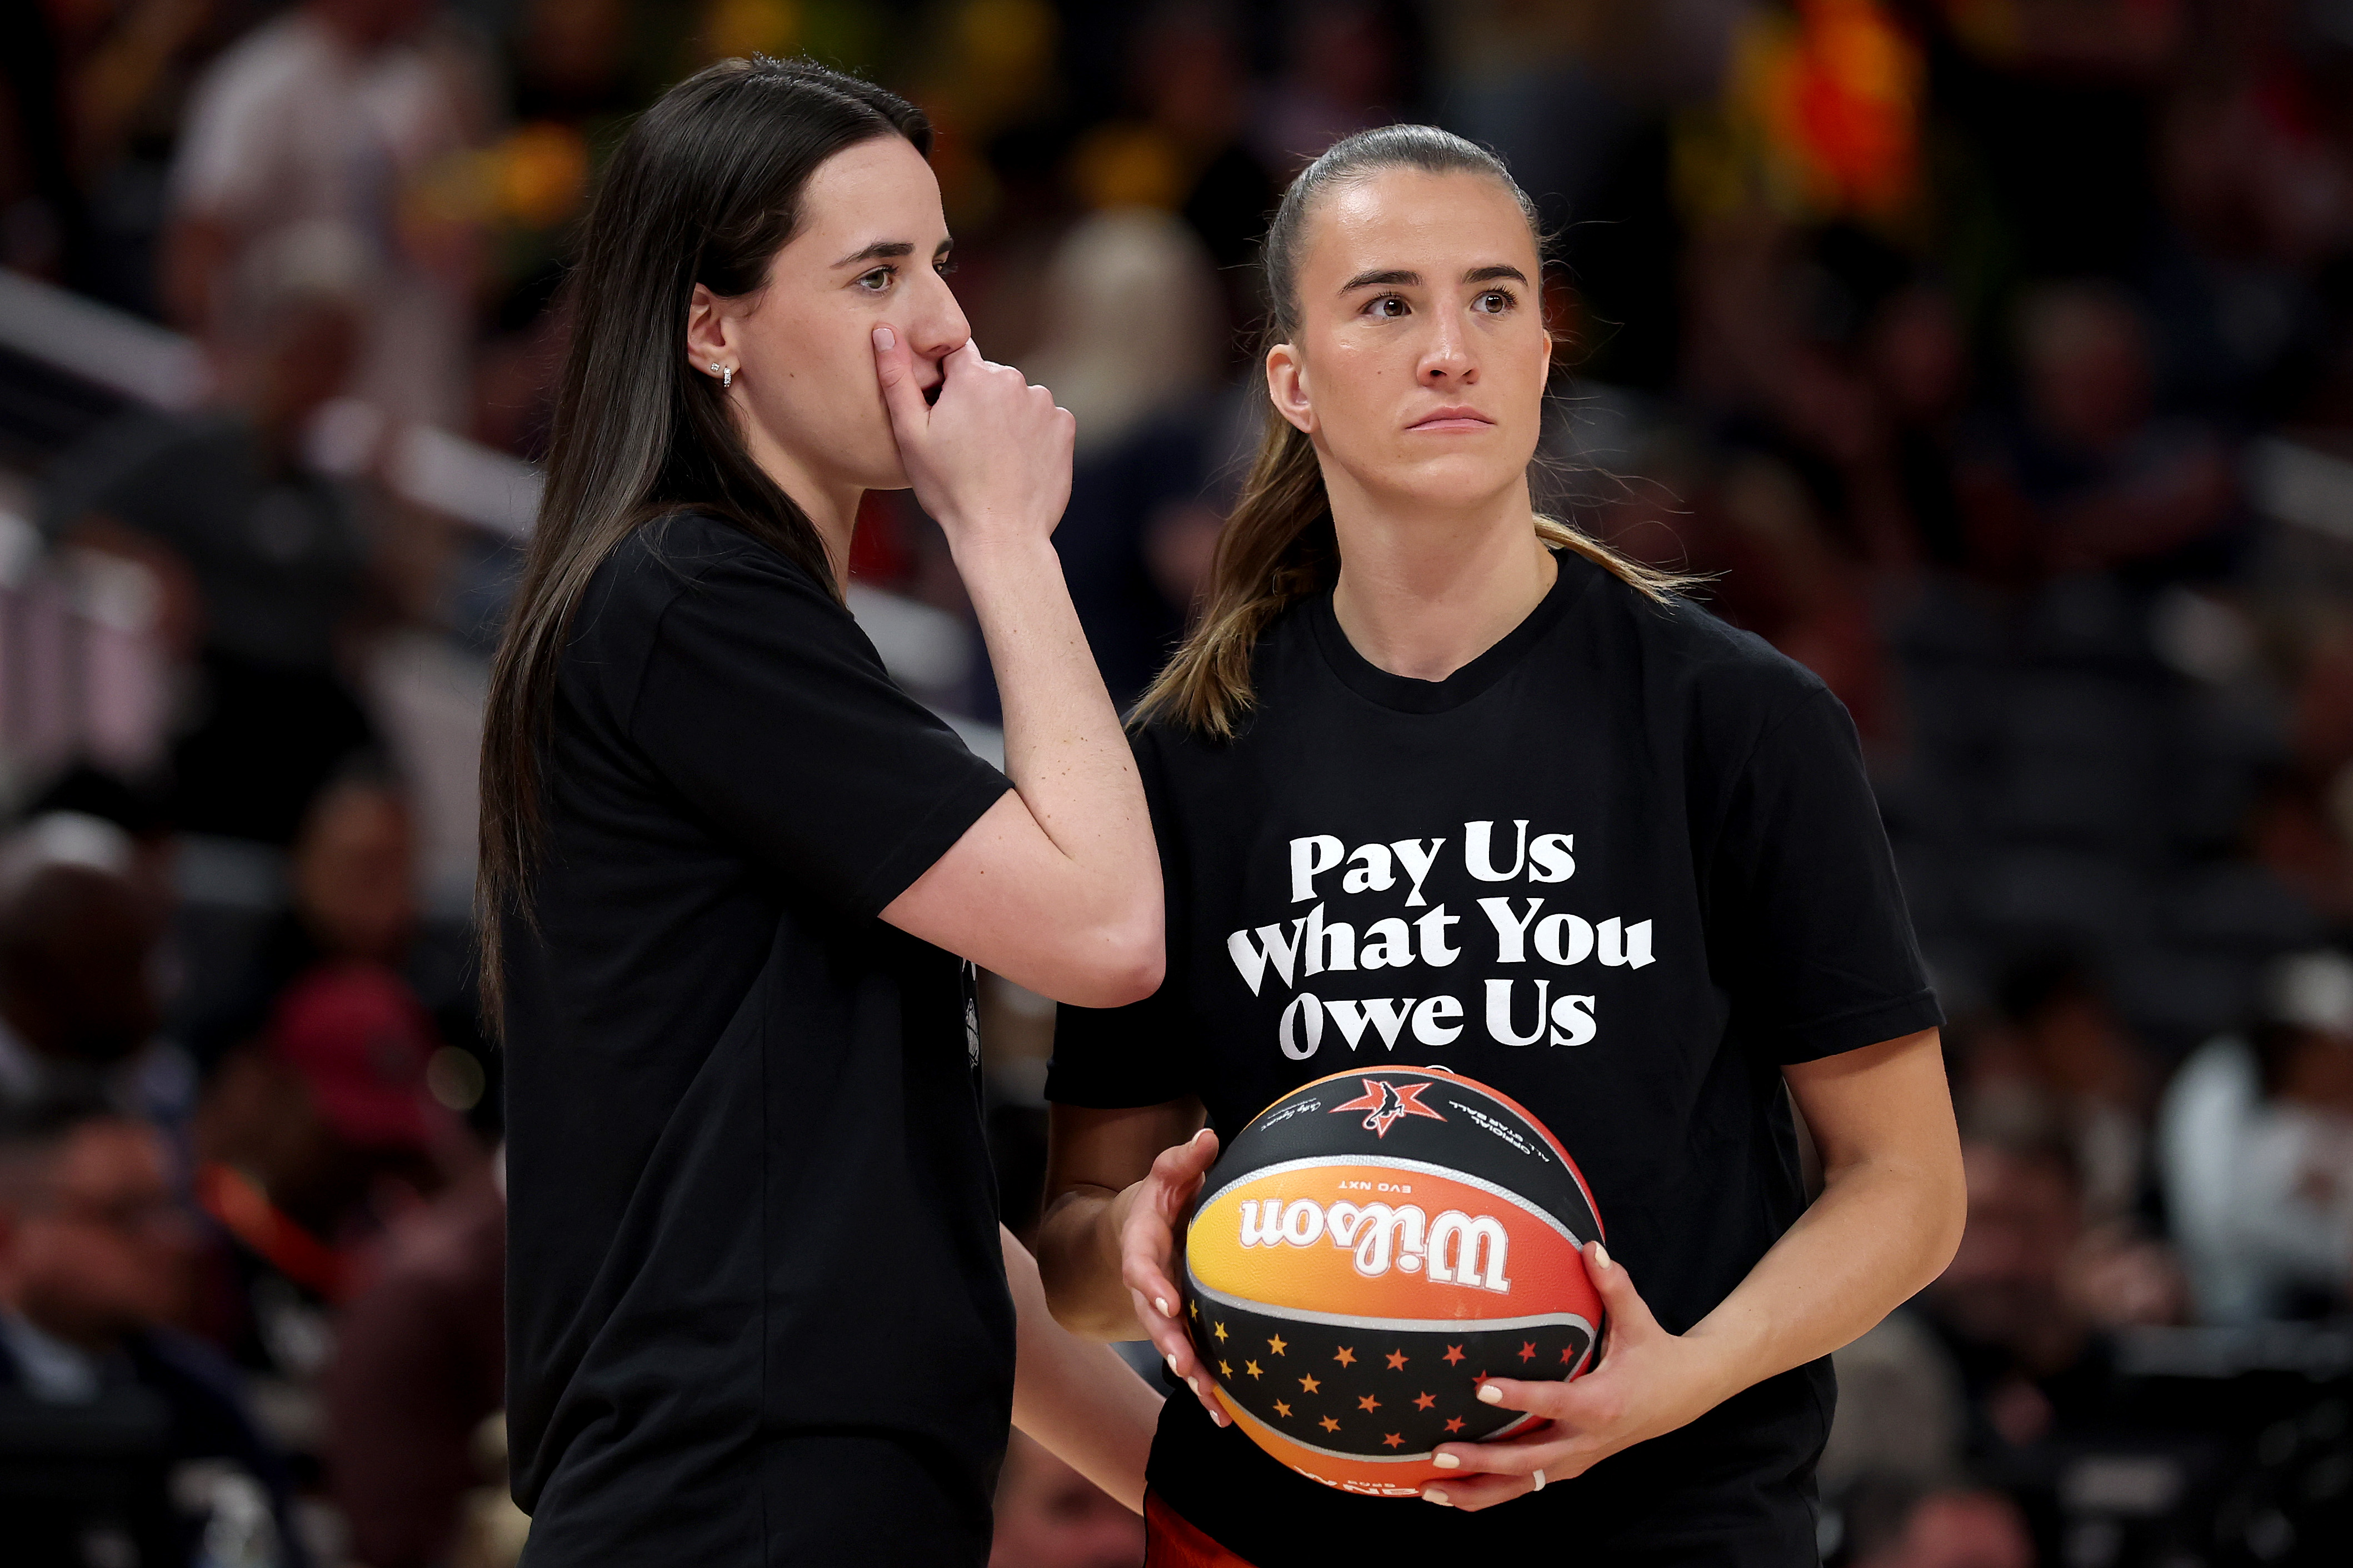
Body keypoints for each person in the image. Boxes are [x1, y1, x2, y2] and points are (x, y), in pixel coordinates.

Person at [1037, 126, 1966, 1565]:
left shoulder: (1736, 717)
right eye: (1386, 302)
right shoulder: (1182, 758)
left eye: (1492, 299)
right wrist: (1142, 1249)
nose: (1450, 348)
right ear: (1290, 378)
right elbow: (1079, 1248)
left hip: (1666, 1521)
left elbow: (1908, 1186)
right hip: (1279, 1527)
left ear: (1543, 351)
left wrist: (1681, 1375)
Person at [479, 58, 1167, 1566]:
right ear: (710, 323)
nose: (941, 324)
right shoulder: (685, 600)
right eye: (874, 272)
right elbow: (1107, 929)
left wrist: (1221, 1503)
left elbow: (909, 1219)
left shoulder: (729, 617)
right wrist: (1004, 539)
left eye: (939, 261)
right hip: (738, 1498)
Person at [0, 1091, 299, 1567]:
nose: (173, 1240)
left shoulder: (199, 1395)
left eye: (172, 1207)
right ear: (10, 1232)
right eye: (125, 1213)